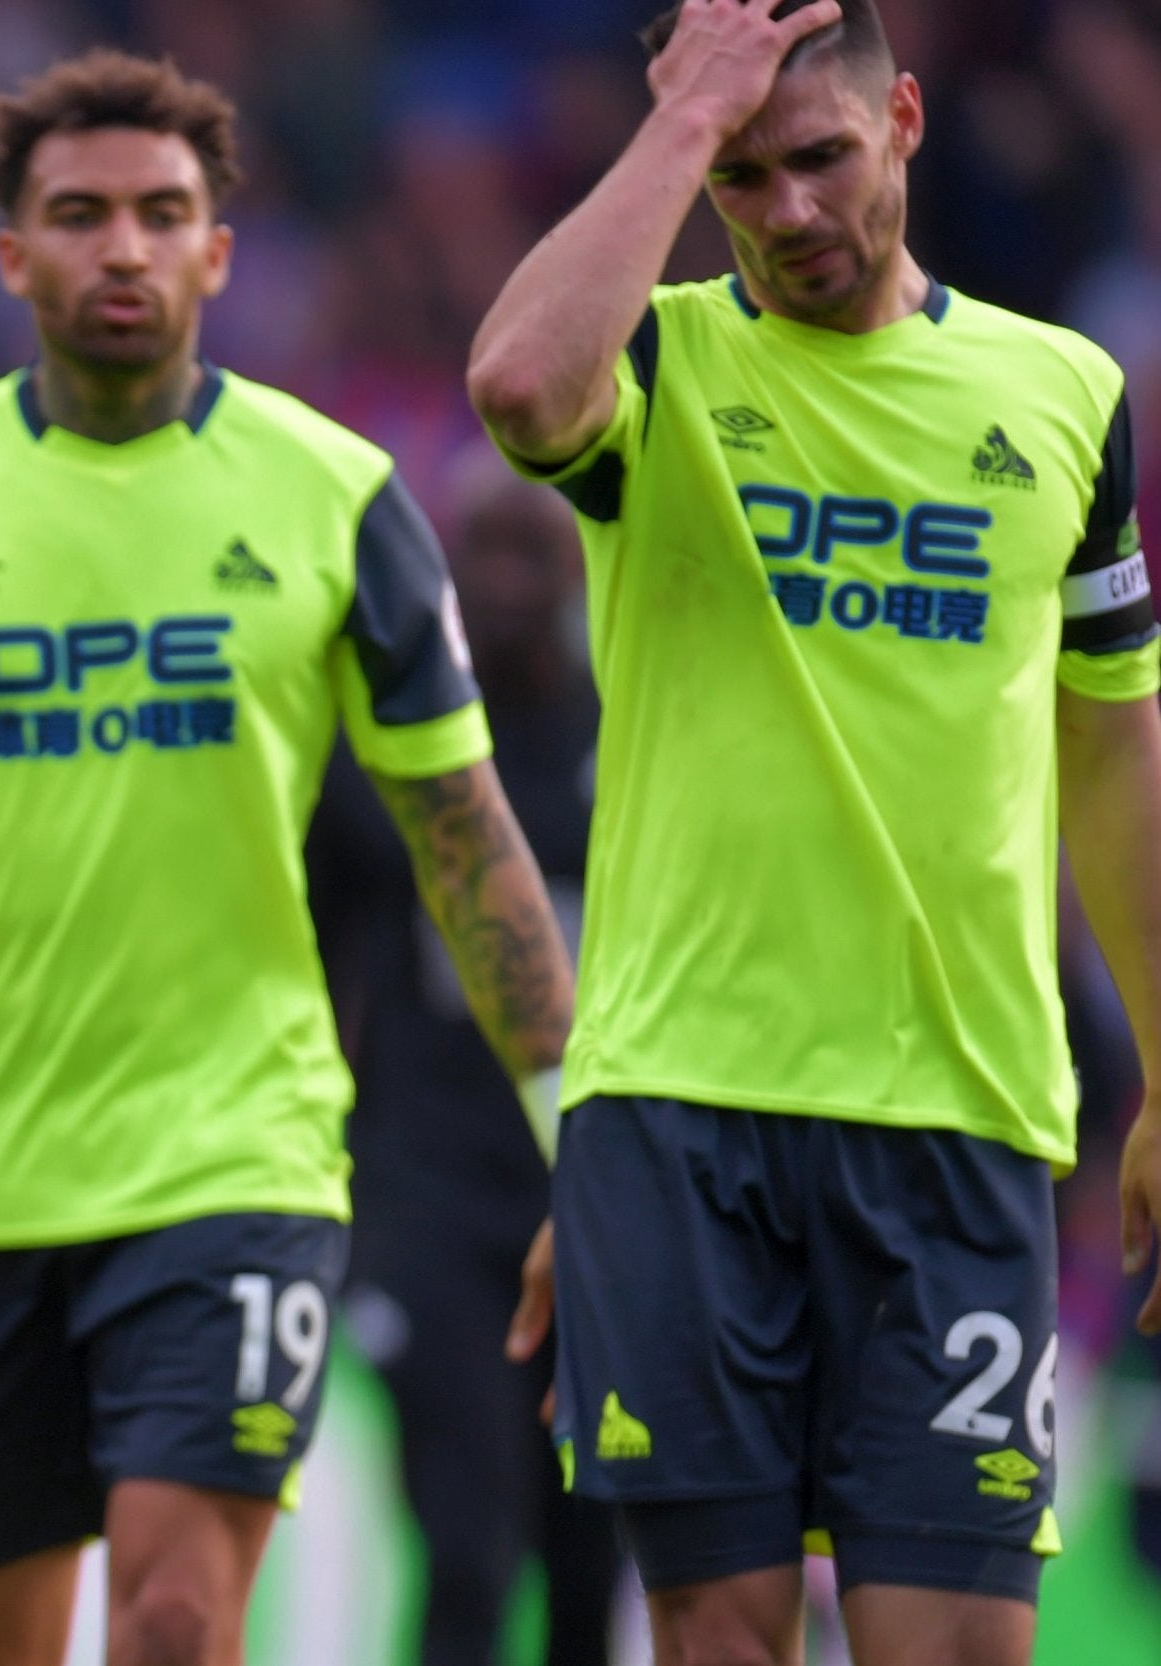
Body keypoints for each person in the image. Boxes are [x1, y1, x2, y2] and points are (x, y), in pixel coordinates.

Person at [0, 49, 574, 1666]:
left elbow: (465, 837)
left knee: (177, 1616)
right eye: (81, 214)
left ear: (218, 254)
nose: (123, 247)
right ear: (12, 256)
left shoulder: (340, 499)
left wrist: (575, 1134)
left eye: (161, 214)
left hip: (234, 1164)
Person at [466, 3, 1161, 1662]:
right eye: (742, 178)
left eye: (821, 160)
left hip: (958, 1111)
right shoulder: (662, 356)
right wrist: (676, 128)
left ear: (905, 122)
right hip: (679, 1118)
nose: (784, 213)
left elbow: (1114, 746)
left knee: (958, 1645)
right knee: (717, 1642)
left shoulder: (1064, 397)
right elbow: (514, 385)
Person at [314, 447, 618, 1666]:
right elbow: (318, 951)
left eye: (525, 553)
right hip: (426, 1200)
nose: (498, 582)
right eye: (476, 553)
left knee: (593, 1554)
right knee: (467, 1544)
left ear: (575, 571)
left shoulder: (635, 749)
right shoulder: (388, 756)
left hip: (594, 1194)